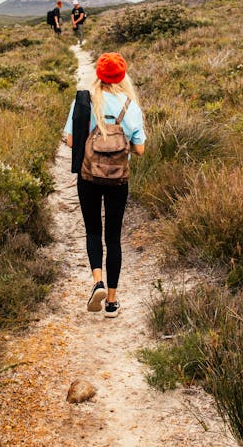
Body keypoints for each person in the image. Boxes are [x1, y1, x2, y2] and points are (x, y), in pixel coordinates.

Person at [63, 52, 146, 318]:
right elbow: (141, 149)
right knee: (113, 237)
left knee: (92, 231)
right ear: (122, 76)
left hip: (88, 177)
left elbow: (70, 141)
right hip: (117, 179)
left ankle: (97, 280)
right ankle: (111, 301)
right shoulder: (130, 105)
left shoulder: (84, 102)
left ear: (98, 75)